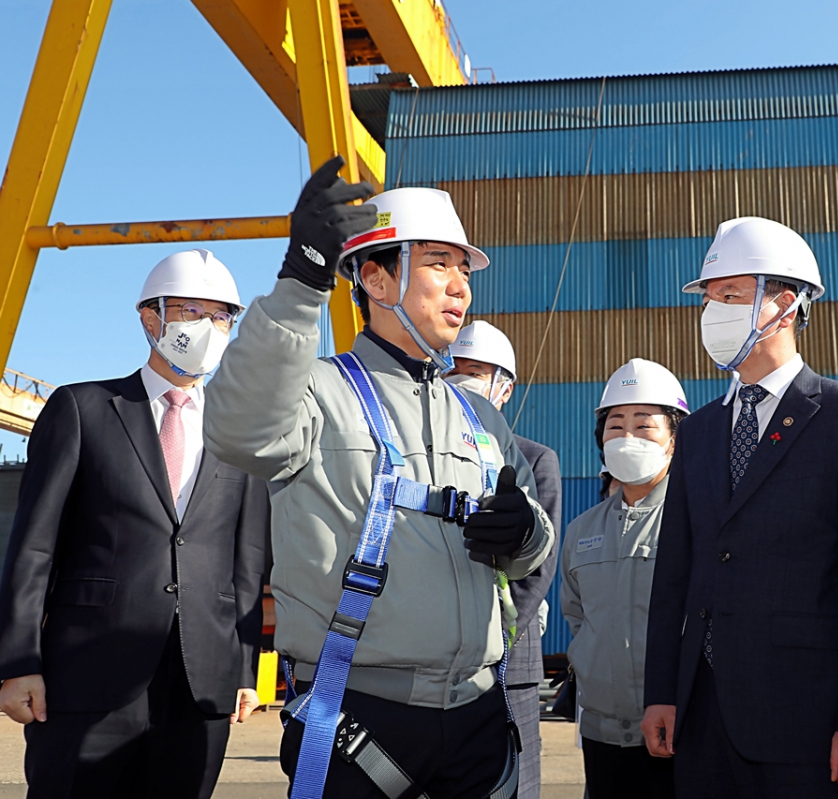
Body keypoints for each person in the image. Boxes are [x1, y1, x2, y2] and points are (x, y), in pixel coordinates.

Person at [203, 157, 555, 799]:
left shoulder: (477, 416)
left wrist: (525, 532)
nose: (462, 289)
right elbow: (239, 429)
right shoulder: (315, 392)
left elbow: (537, 535)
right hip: (360, 720)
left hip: (478, 717)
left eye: (464, 268)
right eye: (439, 264)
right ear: (376, 276)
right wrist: (302, 280)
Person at [641, 217, 838, 799]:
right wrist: (662, 690)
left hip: (808, 722)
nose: (714, 310)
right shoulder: (700, 431)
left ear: (784, 305)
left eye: (731, 296)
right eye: (710, 298)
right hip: (701, 715)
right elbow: (675, 577)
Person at [0, 249, 270, 799]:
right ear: (152, 318)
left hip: (202, 680)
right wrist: (18, 661)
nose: (210, 329)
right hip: (87, 676)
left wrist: (245, 665)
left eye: (222, 317)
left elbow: (247, 559)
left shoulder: (242, 431)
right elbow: (34, 547)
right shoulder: (82, 408)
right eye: (193, 313)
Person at [561, 358, 687, 799]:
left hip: (681, 730)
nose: (628, 436)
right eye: (616, 425)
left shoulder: (698, 522)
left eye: (645, 425)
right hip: (601, 734)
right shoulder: (581, 531)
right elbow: (578, 617)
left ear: (674, 439)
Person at [446, 320, 562, 799]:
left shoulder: (534, 459)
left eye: (476, 372)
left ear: (505, 389)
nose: (464, 382)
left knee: (512, 783)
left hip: (507, 662)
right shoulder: (420, 456)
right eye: (455, 371)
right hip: (433, 659)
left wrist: (491, 631)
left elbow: (538, 571)